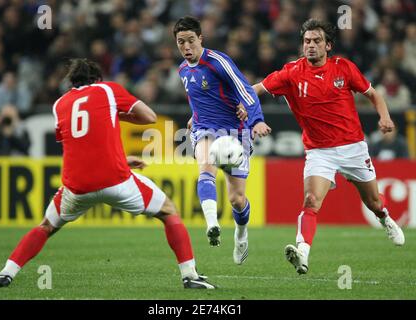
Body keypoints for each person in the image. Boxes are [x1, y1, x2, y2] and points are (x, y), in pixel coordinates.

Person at [0, 58, 215, 289]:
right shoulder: (108, 90)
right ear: (98, 78)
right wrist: (116, 114)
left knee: (46, 226)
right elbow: (150, 117)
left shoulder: (59, 104)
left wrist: (117, 151)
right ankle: (189, 275)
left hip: (76, 187)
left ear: (72, 82)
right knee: (168, 211)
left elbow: (80, 139)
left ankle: (6, 273)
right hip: (115, 180)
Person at [253, 19, 405, 275]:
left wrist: (385, 116)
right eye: (306, 41)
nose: (310, 45)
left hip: (353, 147)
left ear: (328, 45)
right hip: (319, 151)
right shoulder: (291, 72)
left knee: (374, 202)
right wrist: (241, 107)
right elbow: (255, 89)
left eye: (316, 41)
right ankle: (302, 252)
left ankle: (385, 219)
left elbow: (374, 94)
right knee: (311, 201)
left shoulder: (343, 68)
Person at [173, 16, 271, 265]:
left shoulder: (218, 62)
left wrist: (256, 119)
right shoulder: (182, 70)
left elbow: (245, 89)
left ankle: (241, 233)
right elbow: (199, 98)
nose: (186, 47)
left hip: (236, 132)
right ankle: (212, 224)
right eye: (181, 42)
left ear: (201, 39)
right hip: (205, 130)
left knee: (237, 200)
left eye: (191, 41)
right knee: (205, 167)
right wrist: (194, 118)